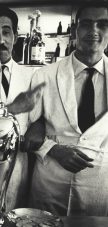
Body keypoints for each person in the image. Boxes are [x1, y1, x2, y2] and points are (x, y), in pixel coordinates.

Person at [28, 2, 108, 216]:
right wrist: (54, 150)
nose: (94, 31)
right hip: (52, 185)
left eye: (103, 24)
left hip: (100, 188)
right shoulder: (44, 75)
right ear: (74, 30)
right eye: (86, 24)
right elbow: (28, 133)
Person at [0, 5, 42, 211]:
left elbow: (40, 116)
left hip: (19, 164)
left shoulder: (33, 75)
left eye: (6, 32)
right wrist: (14, 108)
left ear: (15, 37)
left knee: (14, 214)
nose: (1, 40)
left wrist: (40, 124)